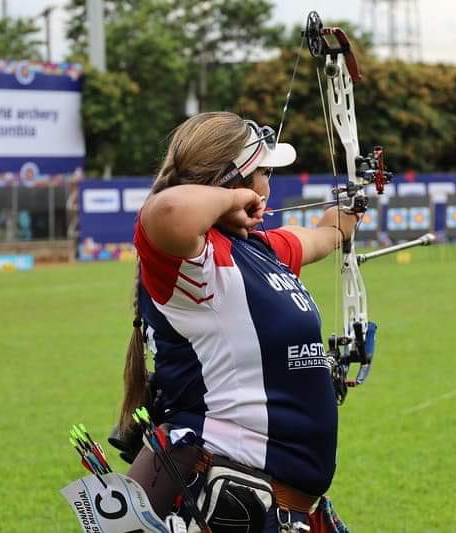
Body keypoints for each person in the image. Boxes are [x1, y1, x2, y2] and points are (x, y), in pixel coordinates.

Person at [119, 111, 357, 532]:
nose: (268, 187)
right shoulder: (196, 264)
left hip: (281, 508)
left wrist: (351, 207)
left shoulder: (260, 250)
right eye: (263, 172)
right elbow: (169, 208)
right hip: (226, 505)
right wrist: (233, 199)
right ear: (235, 180)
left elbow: (323, 235)